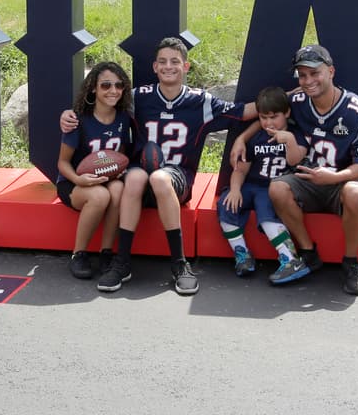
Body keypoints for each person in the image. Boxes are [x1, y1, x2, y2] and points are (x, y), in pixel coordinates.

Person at [64, 38, 256, 295]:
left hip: (177, 178)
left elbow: (242, 112)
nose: (169, 66)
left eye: (175, 61)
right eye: (163, 61)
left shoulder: (201, 102)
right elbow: (103, 104)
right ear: (154, 66)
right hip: (141, 175)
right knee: (133, 178)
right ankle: (122, 261)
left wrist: (287, 100)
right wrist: (67, 114)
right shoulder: (138, 98)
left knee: (160, 179)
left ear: (186, 66)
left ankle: (180, 263)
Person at [232, 45, 358, 295]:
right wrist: (242, 138)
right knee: (277, 187)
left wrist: (334, 176)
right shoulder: (297, 101)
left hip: (343, 179)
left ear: (331, 71)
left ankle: (351, 263)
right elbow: (269, 114)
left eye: (314, 73)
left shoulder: (357, 111)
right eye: (302, 75)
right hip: (308, 177)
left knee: (355, 192)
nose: (308, 81)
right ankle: (308, 252)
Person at [219, 86, 310, 282]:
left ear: (286, 113)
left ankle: (289, 258)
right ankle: (241, 253)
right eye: (263, 117)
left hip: (275, 187)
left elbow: (295, 160)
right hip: (252, 184)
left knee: (264, 207)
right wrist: (235, 189)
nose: (268, 122)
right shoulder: (256, 137)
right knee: (225, 202)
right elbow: (241, 169)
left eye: (273, 117)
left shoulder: (295, 134)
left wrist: (290, 141)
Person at [56, 61, 136, 281]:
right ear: (93, 87)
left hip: (103, 178)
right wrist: (79, 180)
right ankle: (79, 254)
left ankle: (106, 253)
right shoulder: (77, 118)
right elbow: (62, 163)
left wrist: (117, 171)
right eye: (106, 85)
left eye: (119, 85)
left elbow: (118, 154)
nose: (113, 90)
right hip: (73, 182)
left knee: (119, 189)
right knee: (100, 196)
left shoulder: (123, 117)